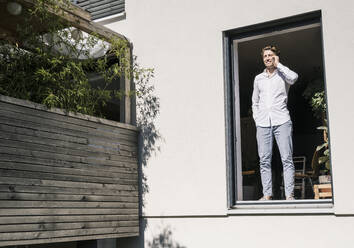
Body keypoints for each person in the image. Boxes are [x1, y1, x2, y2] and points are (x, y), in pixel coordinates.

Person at [251, 45, 298, 200]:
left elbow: (294, 77)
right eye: (265, 56)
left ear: (276, 57)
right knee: (264, 160)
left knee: (286, 158)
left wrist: (279, 65)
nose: (267, 58)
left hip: (282, 120)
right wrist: (257, 119)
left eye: (270, 55)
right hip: (263, 123)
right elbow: (255, 101)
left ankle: (289, 195)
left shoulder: (283, 75)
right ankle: (267, 194)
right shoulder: (259, 79)